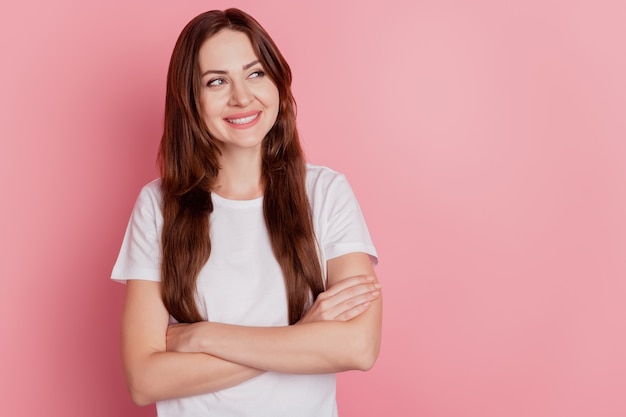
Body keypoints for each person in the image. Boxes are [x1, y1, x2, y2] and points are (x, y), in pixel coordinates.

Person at [111, 8, 382, 417]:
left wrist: (203, 336)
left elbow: (358, 347)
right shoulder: (158, 205)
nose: (242, 96)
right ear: (190, 99)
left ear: (276, 81)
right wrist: (303, 337)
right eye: (217, 81)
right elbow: (144, 380)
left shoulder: (325, 193)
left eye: (255, 74)